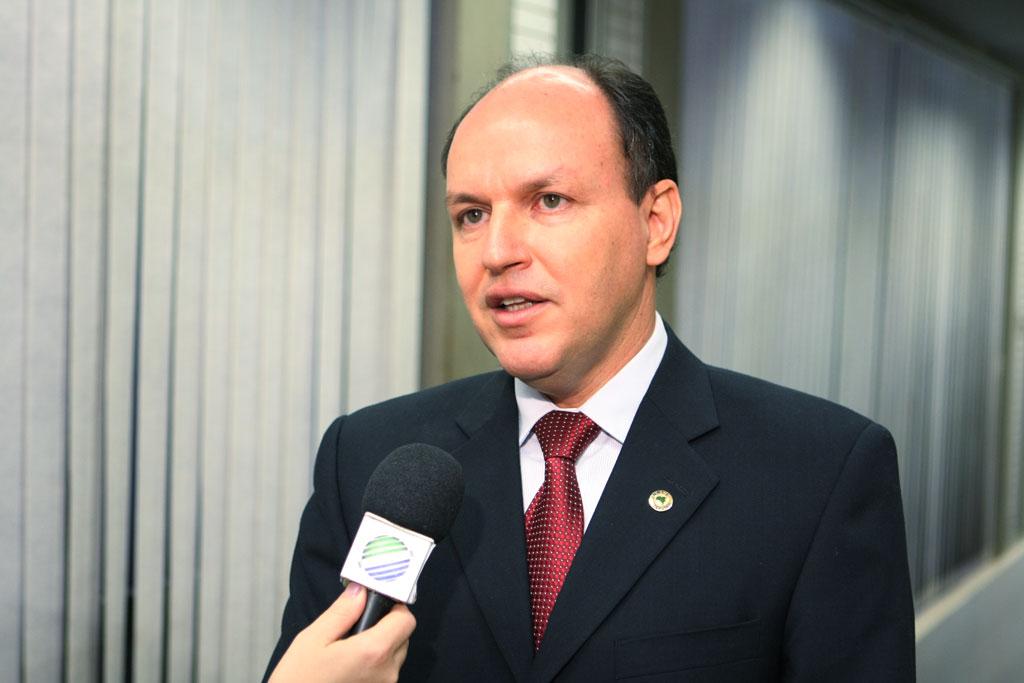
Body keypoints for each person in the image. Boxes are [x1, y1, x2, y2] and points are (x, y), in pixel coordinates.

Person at [266, 55, 915, 682]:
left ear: (655, 223)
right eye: (471, 214)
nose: (497, 251)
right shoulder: (370, 462)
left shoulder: (818, 475)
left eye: (549, 200)